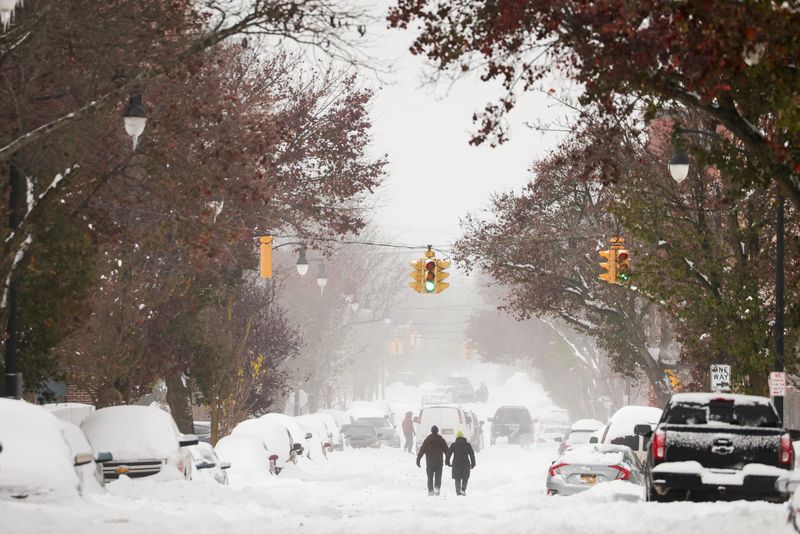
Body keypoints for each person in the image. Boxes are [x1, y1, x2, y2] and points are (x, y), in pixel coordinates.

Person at [416, 425, 448, 495]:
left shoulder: (427, 440)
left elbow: (422, 450)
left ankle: (430, 490)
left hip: (430, 463)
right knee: (438, 477)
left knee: (430, 477)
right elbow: (446, 451)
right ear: (437, 431)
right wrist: (447, 460)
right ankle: (437, 488)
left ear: (431, 431)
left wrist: (418, 459)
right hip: (439, 462)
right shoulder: (441, 439)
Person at [446, 431, 476, 496]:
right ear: (463, 436)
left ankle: (458, 492)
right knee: (465, 478)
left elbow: (448, 453)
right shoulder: (468, 445)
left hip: (456, 464)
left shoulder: (453, 445)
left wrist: (447, 462)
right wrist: (473, 463)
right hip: (465, 464)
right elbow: (471, 454)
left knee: (457, 478)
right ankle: (463, 489)